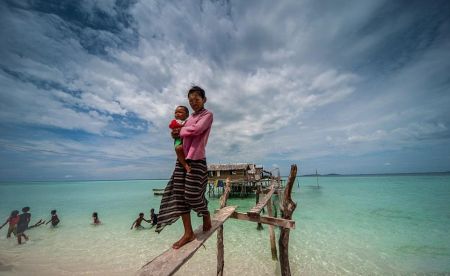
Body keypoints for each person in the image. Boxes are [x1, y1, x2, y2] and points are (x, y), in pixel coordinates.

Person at [156, 85, 213, 249]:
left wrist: (180, 131)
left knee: (192, 195)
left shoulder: (207, 115)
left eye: (196, 99)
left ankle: (205, 212)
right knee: (179, 195)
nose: (193, 103)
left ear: (204, 100)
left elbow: (197, 130)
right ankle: (188, 233)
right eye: (191, 101)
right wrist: (175, 133)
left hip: (196, 159)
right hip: (182, 161)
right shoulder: (187, 119)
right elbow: (180, 132)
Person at [169, 106, 191, 173]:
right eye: (176, 112)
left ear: (187, 115)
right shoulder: (174, 122)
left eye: (180, 112)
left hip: (186, 140)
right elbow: (172, 128)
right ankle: (185, 165)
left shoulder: (188, 122)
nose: (177, 114)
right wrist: (174, 132)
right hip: (178, 139)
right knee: (178, 149)